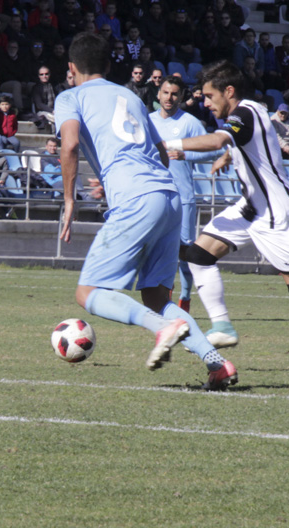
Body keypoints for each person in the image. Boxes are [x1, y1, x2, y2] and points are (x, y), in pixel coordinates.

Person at [55, 32, 237, 390]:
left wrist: (69, 200)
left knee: (87, 292)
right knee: (156, 295)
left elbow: (70, 143)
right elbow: (159, 150)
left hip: (137, 197)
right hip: (167, 195)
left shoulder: (70, 96)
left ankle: (162, 328)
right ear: (108, 66)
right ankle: (217, 364)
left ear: (71, 69)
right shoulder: (128, 95)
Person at [161, 60, 289, 376]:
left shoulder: (242, 114)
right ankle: (222, 326)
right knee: (199, 254)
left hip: (275, 214)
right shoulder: (251, 111)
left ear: (228, 91)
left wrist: (168, 145)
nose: (205, 102)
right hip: (250, 208)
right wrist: (228, 156)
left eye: (208, 96)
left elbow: (219, 139)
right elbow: (242, 143)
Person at [150, 76, 218, 313]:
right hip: (155, 196)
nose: (170, 98)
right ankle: (163, 301)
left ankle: (185, 297)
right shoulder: (147, 122)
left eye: (175, 94)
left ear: (181, 97)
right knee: (158, 250)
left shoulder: (189, 122)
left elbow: (214, 149)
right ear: (158, 94)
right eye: (166, 93)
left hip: (183, 198)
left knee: (183, 252)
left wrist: (186, 155)